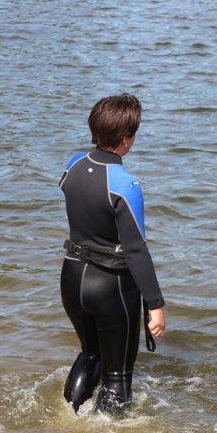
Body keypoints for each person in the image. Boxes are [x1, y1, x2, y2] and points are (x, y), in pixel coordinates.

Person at [59, 93, 166, 415]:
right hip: (110, 285)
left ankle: (68, 418)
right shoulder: (126, 184)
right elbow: (135, 250)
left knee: (90, 352)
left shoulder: (74, 164)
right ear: (127, 139)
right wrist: (155, 305)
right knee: (117, 374)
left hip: (72, 276)